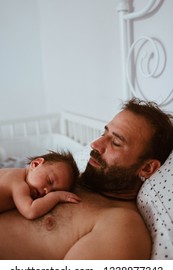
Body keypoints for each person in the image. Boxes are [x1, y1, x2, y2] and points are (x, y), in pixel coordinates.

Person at [0, 98, 173, 260]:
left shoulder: (121, 227)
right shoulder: (66, 178)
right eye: (104, 133)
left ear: (147, 168)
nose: (95, 145)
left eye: (116, 143)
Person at [0, 151, 80, 219]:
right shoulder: (19, 185)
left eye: (54, 191)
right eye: (49, 181)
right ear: (36, 164)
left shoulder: (14, 173)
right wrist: (57, 196)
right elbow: (30, 211)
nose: (47, 192)